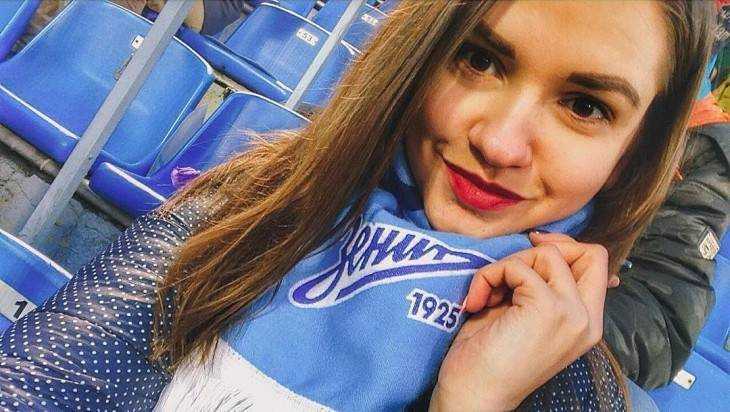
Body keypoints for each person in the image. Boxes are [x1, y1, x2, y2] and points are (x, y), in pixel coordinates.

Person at [0, 1, 715, 410]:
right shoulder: (249, 211)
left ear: (635, 151)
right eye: (478, 59)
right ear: (420, 55)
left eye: (584, 106)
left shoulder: (576, 389)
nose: (500, 142)